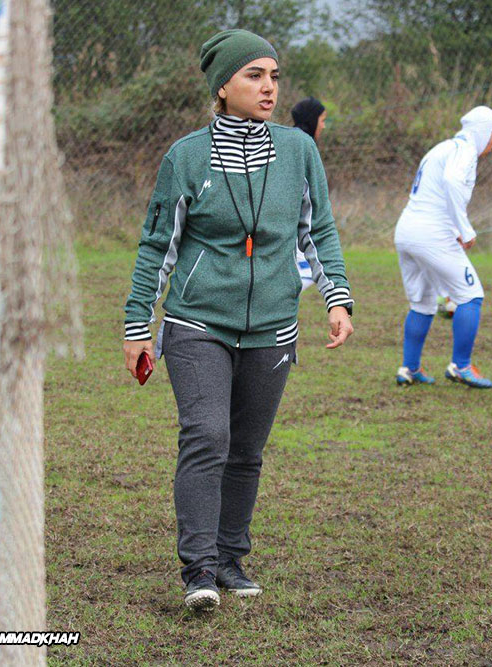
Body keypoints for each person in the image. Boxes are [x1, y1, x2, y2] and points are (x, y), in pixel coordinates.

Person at [122, 29, 354, 612]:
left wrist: (337, 298)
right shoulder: (186, 157)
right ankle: (197, 568)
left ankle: (229, 558)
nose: (269, 87)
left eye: (274, 76)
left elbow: (316, 230)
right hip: (198, 322)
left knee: (247, 448)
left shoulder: (300, 152)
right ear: (222, 86)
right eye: (254, 75)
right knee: (208, 434)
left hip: (274, 325)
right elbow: (158, 246)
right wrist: (136, 325)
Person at [393, 106, 492, 389]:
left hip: (406, 230)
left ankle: (409, 368)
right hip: (431, 234)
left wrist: (454, 228)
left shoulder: (442, 148)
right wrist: (464, 230)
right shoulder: (464, 151)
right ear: (481, 132)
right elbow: (452, 182)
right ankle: (461, 366)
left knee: (422, 303)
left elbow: (434, 192)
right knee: (471, 296)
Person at [291, 96, 328, 291]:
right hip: (291, 229)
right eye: (322, 120)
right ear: (312, 119)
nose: (323, 126)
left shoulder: (296, 140)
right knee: (309, 272)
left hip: (295, 229)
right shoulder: (301, 144)